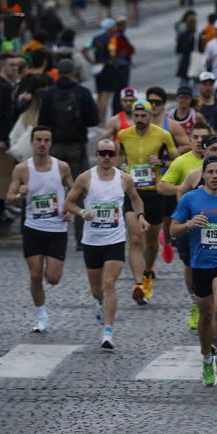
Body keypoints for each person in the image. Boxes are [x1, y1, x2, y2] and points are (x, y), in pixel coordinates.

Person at [170, 155, 217, 385]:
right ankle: (206, 359)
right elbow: (173, 229)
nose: (214, 176)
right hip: (200, 264)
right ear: (203, 175)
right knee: (205, 315)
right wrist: (189, 224)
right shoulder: (190, 199)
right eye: (210, 172)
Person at [64, 137, 147, 351]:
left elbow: (136, 199)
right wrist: (83, 212)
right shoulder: (85, 178)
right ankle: (99, 302)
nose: (107, 158)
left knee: (110, 283)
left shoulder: (124, 179)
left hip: (115, 239)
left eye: (111, 154)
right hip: (92, 241)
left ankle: (108, 331)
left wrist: (140, 217)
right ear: (97, 155)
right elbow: (68, 202)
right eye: (103, 153)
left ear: (116, 156)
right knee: (96, 289)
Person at [6, 125, 73, 332]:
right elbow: (9, 197)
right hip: (33, 228)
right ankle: (41, 315)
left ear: (51, 143)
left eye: (46, 140)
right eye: (39, 140)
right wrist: (20, 195)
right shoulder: (22, 169)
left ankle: (50, 270)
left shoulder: (61, 167)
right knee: (35, 275)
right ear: (32, 142)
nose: (42, 144)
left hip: (56, 229)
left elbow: (74, 189)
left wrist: (69, 210)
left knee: (53, 278)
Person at [117, 98, 177, 304]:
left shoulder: (163, 135)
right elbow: (117, 159)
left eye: (144, 116)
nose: (140, 119)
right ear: (132, 116)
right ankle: (138, 283)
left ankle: (148, 271)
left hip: (154, 193)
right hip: (133, 193)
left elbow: (176, 159)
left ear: (151, 116)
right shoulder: (123, 135)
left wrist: (161, 162)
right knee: (135, 239)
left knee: (151, 242)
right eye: (137, 115)